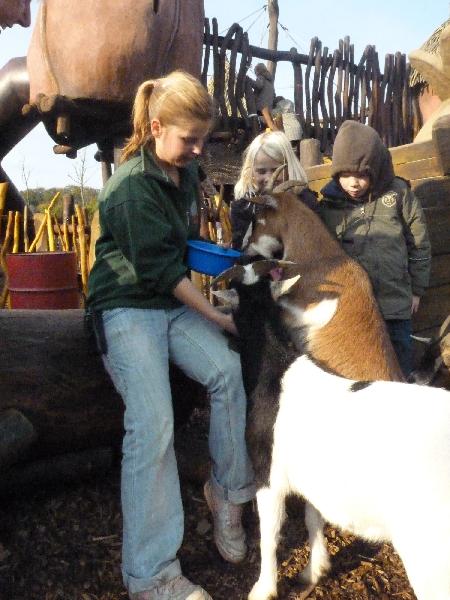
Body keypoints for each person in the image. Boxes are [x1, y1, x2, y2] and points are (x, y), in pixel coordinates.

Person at [86, 70, 255, 600]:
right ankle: (151, 574)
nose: (199, 149)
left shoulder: (185, 170)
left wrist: (216, 257)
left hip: (167, 300)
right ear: (157, 127)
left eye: (203, 138)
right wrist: (219, 317)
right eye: (190, 139)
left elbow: (180, 245)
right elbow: (163, 272)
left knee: (228, 370)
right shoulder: (129, 188)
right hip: (126, 305)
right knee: (152, 421)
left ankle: (227, 493)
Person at [319, 120, 431, 377]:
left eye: (361, 175)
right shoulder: (328, 207)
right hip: (354, 309)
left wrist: (417, 289)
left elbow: (419, 242)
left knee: (400, 366)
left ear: (376, 170)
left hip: (395, 305)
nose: (353, 183)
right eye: (345, 175)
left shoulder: (398, 195)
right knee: (361, 370)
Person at [231, 130, 319, 249]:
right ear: (251, 171)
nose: (269, 178)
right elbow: (238, 246)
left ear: (289, 167)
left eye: (275, 170)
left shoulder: (305, 203)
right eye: (261, 171)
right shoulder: (244, 207)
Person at [248, 62, 278, 131]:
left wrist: (250, 80)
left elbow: (259, 85)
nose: (255, 73)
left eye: (255, 71)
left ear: (258, 70)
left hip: (260, 107)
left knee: (258, 124)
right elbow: (274, 95)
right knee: (266, 124)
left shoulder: (261, 77)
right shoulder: (270, 82)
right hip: (268, 108)